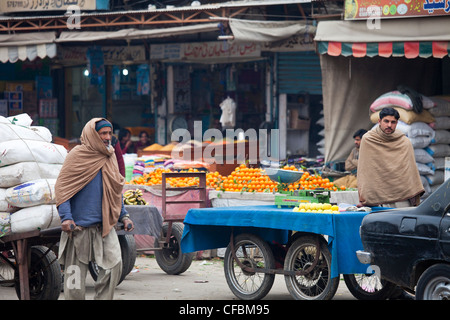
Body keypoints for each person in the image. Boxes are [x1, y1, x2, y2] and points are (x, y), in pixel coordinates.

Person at [55, 118, 134, 300]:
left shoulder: (110, 155)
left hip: (104, 227)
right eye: (103, 133)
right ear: (93, 134)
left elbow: (114, 189)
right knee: (74, 279)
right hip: (78, 228)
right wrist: (66, 217)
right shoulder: (77, 155)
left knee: (114, 266)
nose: (107, 137)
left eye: (109, 133)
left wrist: (124, 215)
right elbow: (63, 188)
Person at [357, 107, 424, 208]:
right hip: (377, 199)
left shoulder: (404, 142)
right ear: (379, 121)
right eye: (386, 121)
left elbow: (410, 172)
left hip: (402, 197)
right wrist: (365, 196)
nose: (389, 125)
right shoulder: (368, 140)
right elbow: (365, 171)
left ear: (397, 123)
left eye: (393, 122)